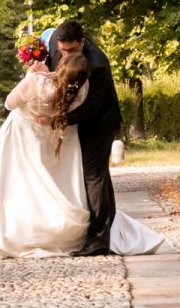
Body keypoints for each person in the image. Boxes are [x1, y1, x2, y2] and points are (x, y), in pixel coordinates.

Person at [0, 53, 163, 259]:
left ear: (62, 66)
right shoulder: (81, 89)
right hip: (56, 141)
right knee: (52, 186)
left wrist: (32, 75)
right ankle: (56, 230)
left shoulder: (36, 83)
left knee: (15, 186)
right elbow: (65, 104)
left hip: (22, 136)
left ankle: (15, 231)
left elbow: (9, 103)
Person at [46, 20, 122, 257]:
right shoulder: (53, 44)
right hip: (76, 121)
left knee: (93, 176)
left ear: (82, 42)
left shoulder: (97, 64)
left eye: (71, 50)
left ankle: (99, 241)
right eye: (62, 50)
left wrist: (57, 120)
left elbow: (91, 107)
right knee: (98, 177)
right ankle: (109, 226)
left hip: (100, 123)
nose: (64, 55)